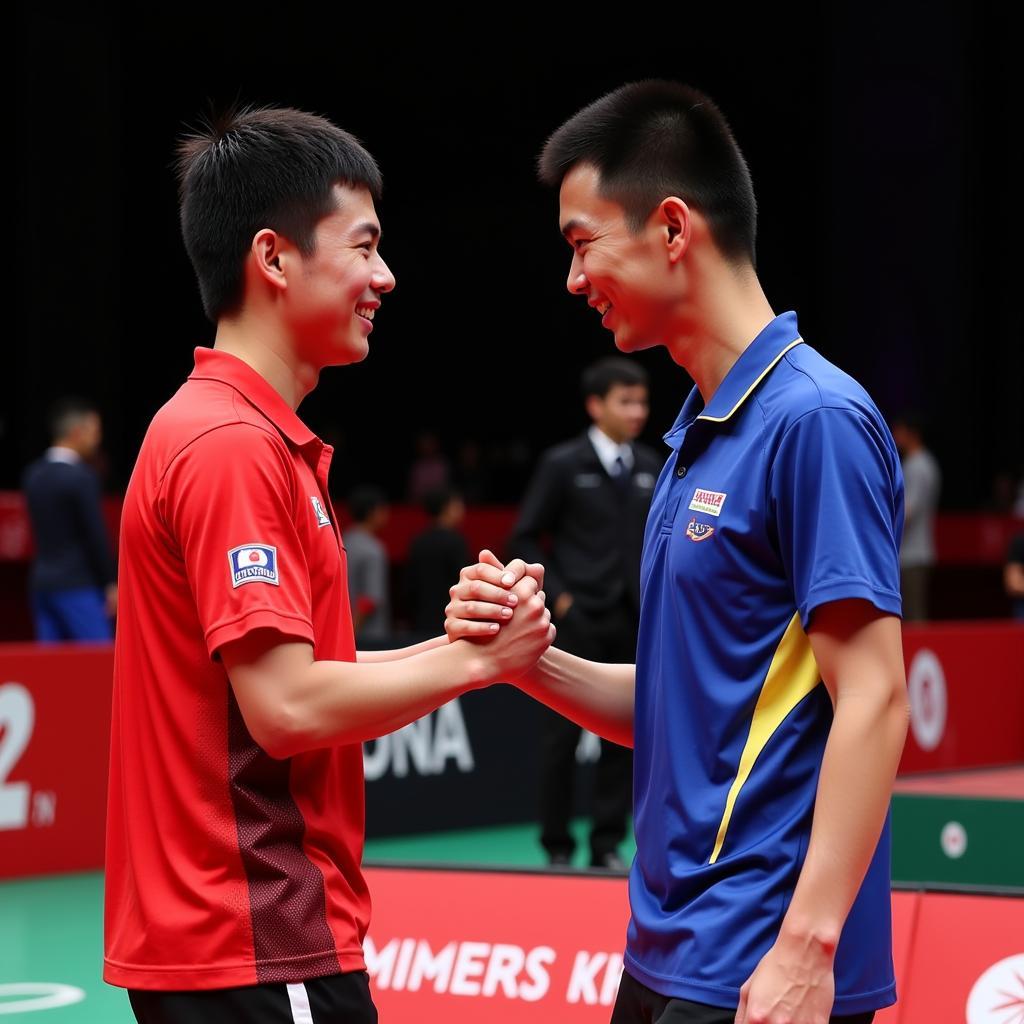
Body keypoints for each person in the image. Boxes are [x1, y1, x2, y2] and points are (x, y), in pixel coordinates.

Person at [447, 81, 909, 1024]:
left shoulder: (813, 419)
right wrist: (525, 660)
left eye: (583, 244)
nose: (573, 281)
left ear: (670, 227)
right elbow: (677, 709)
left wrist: (808, 947)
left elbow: (876, 694)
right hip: (665, 950)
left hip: (763, 962)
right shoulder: (696, 433)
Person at [103, 105, 553, 1024]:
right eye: (364, 245)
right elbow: (288, 708)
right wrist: (473, 663)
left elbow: (300, 680)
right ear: (273, 258)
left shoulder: (235, 432)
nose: (385, 276)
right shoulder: (230, 443)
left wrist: (457, 644)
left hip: (238, 945)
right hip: (257, 939)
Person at [508, 357, 660, 869]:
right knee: (561, 739)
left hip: (633, 619)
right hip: (575, 622)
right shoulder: (563, 464)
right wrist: (564, 597)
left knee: (625, 735)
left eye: (642, 401)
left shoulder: (649, 466)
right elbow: (526, 535)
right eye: (626, 401)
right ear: (596, 406)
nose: (637, 411)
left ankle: (607, 844)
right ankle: (556, 845)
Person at [22, 398, 117, 640]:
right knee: (98, 663)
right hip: (79, 585)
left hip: (41, 584)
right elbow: (95, 535)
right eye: (95, 431)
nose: (98, 439)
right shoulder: (82, 477)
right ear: (77, 432)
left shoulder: (32, 475)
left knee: (51, 670)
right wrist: (111, 582)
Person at [891, 413, 941, 621]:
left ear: (912, 434)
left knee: (914, 616)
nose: (894, 436)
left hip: (914, 554)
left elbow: (908, 511)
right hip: (910, 554)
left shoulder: (919, 466)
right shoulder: (915, 463)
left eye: (899, 431)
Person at [406, 487, 470, 638]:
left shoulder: (418, 542)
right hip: (451, 621)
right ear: (446, 508)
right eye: (458, 505)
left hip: (421, 621)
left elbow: (409, 587)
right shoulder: (456, 542)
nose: (462, 510)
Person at [343, 485, 391, 643]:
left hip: (338, 626)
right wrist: (350, 634)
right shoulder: (372, 549)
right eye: (382, 510)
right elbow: (370, 599)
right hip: (368, 636)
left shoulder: (342, 540)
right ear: (372, 512)